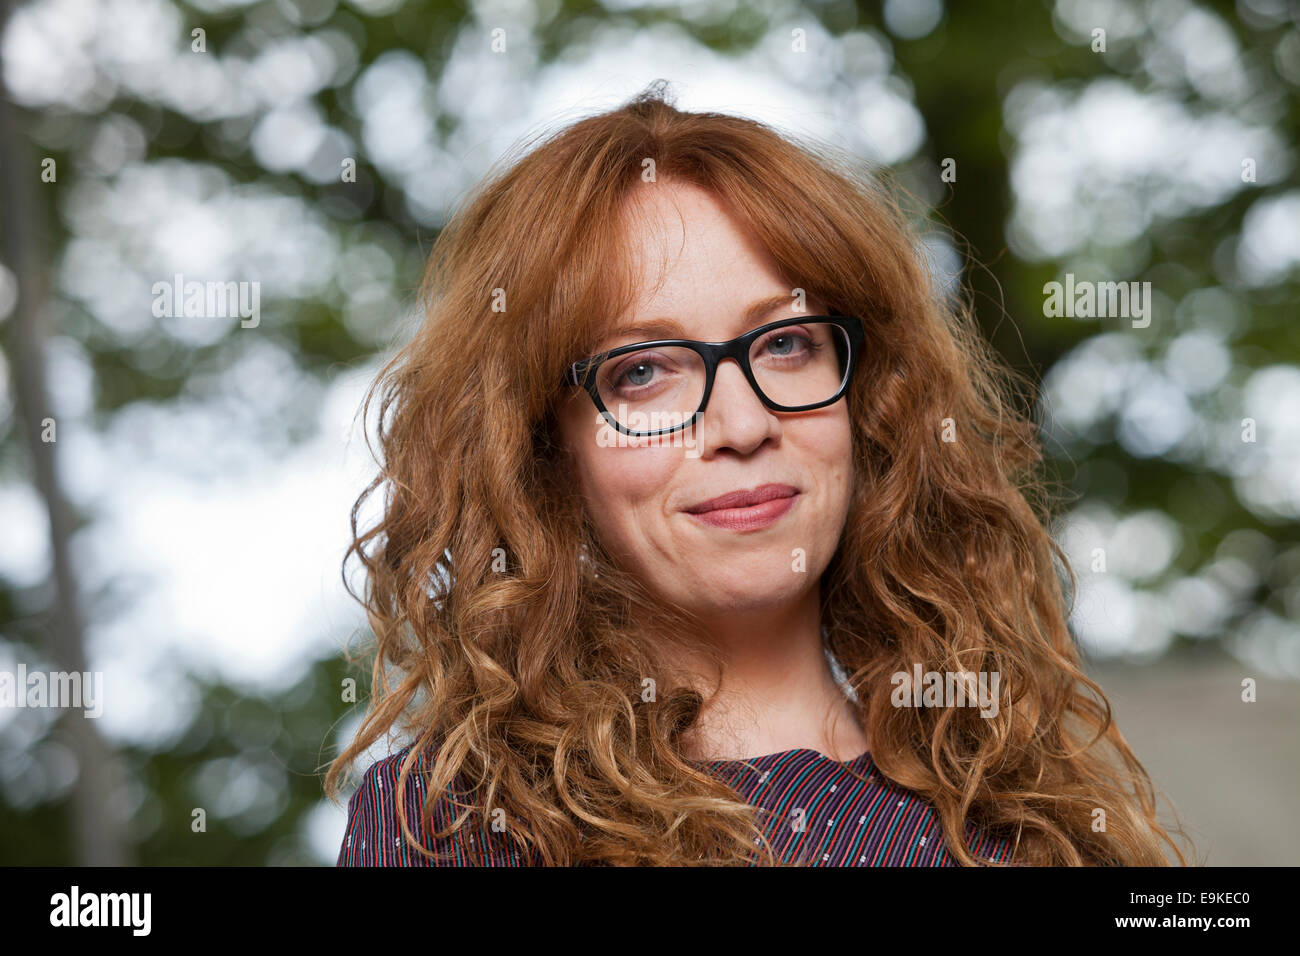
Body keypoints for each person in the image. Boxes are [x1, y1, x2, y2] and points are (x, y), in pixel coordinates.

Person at [326, 82, 1190, 866]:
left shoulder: (1036, 821)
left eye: (786, 344)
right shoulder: (451, 825)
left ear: (870, 401)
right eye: (643, 370)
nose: (743, 425)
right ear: (545, 447)